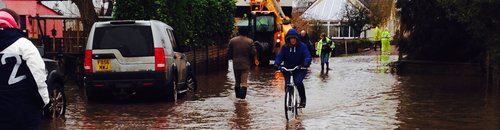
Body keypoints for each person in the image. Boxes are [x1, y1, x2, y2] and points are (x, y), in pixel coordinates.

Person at [0, 8, 49, 129]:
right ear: (15, 24)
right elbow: (38, 77)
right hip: (22, 111)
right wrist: (44, 103)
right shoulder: (24, 45)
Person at [274, 29, 312, 108]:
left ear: (297, 39)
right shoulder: (284, 47)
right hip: (287, 69)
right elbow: (279, 56)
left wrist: (306, 63)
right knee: (287, 84)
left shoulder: (302, 46)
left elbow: (307, 55)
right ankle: (289, 99)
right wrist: (276, 64)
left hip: (300, 68)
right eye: (291, 39)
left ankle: (303, 99)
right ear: (288, 39)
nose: (293, 40)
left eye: (294, 38)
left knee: (298, 82)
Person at [228, 27, 256, 99]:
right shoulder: (250, 41)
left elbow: (229, 53)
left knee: (237, 82)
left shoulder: (232, 41)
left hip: (236, 64)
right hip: (245, 64)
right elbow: (254, 52)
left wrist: (232, 58)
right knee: (244, 82)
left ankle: (237, 98)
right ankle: (242, 100)